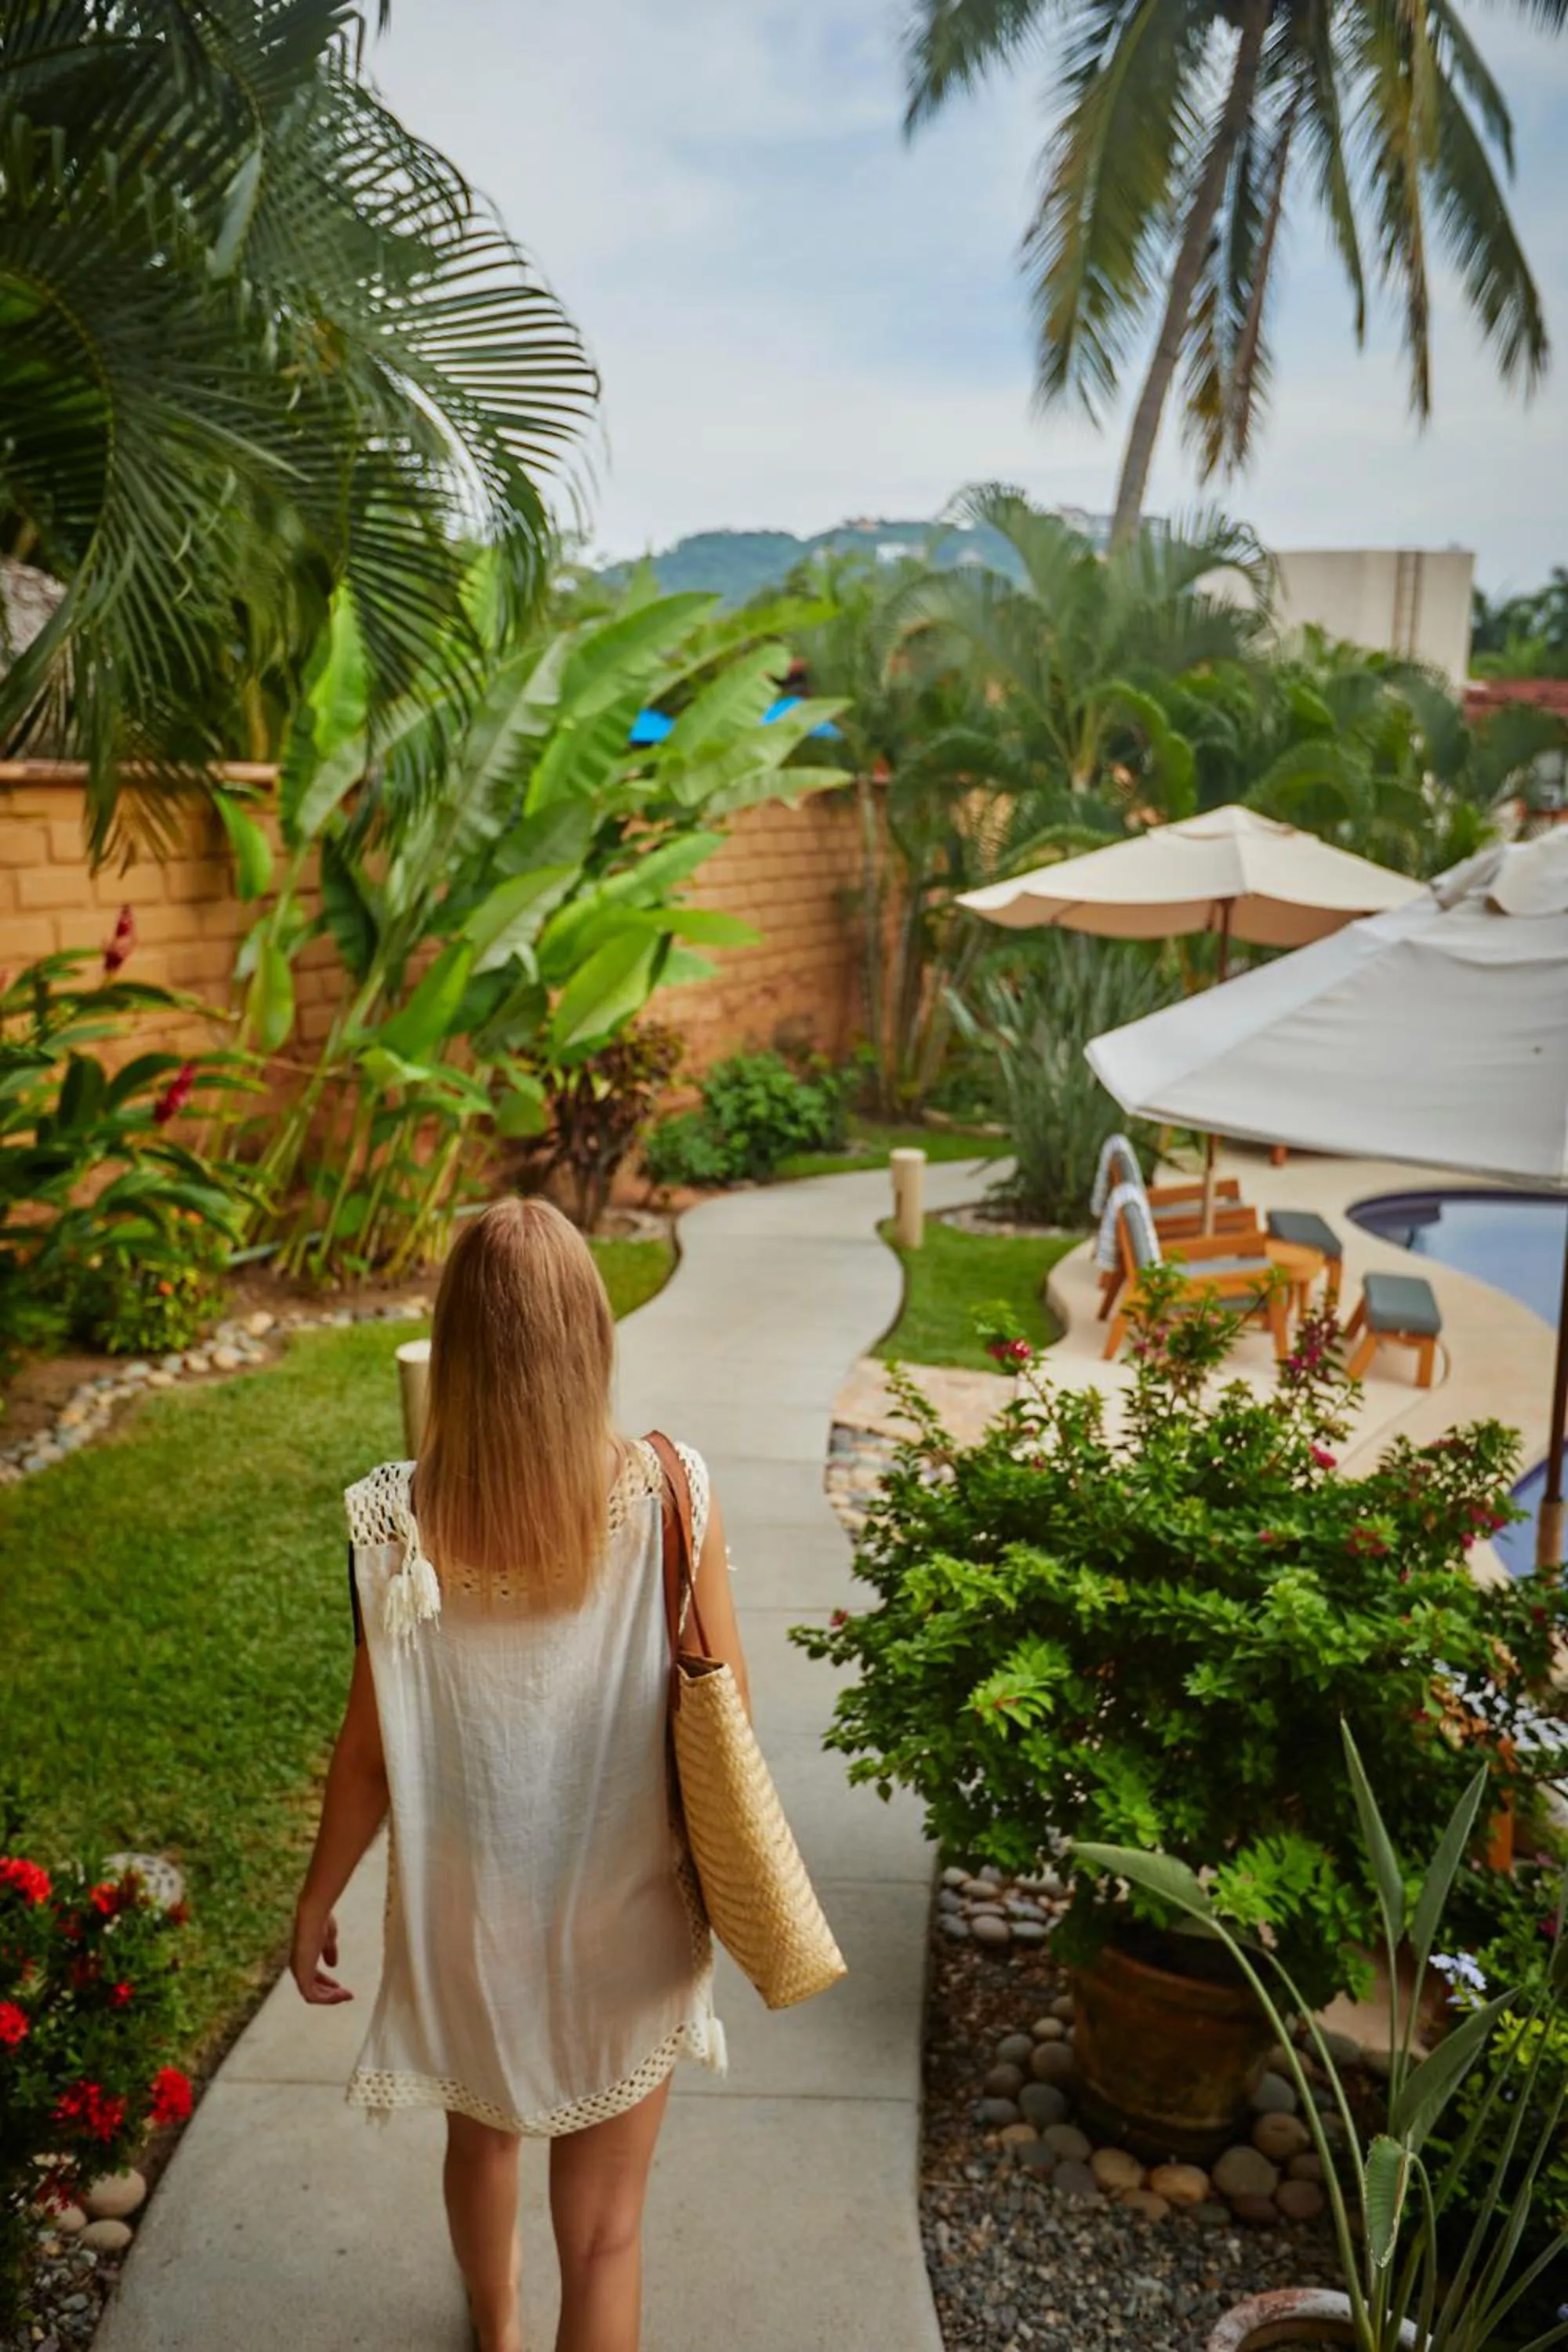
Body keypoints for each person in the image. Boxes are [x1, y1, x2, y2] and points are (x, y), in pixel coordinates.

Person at [289, 1196, 748, 2352]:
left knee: (481, 2137)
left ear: (456, 1347)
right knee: (606, 2240)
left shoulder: (394, 1521)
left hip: (467, 1917)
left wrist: (318, 1896)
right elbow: (722, 1704)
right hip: (628, 1912)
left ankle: (494, 2328)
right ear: (591, 1335)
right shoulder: (670, 1490)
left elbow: (369, 1750)